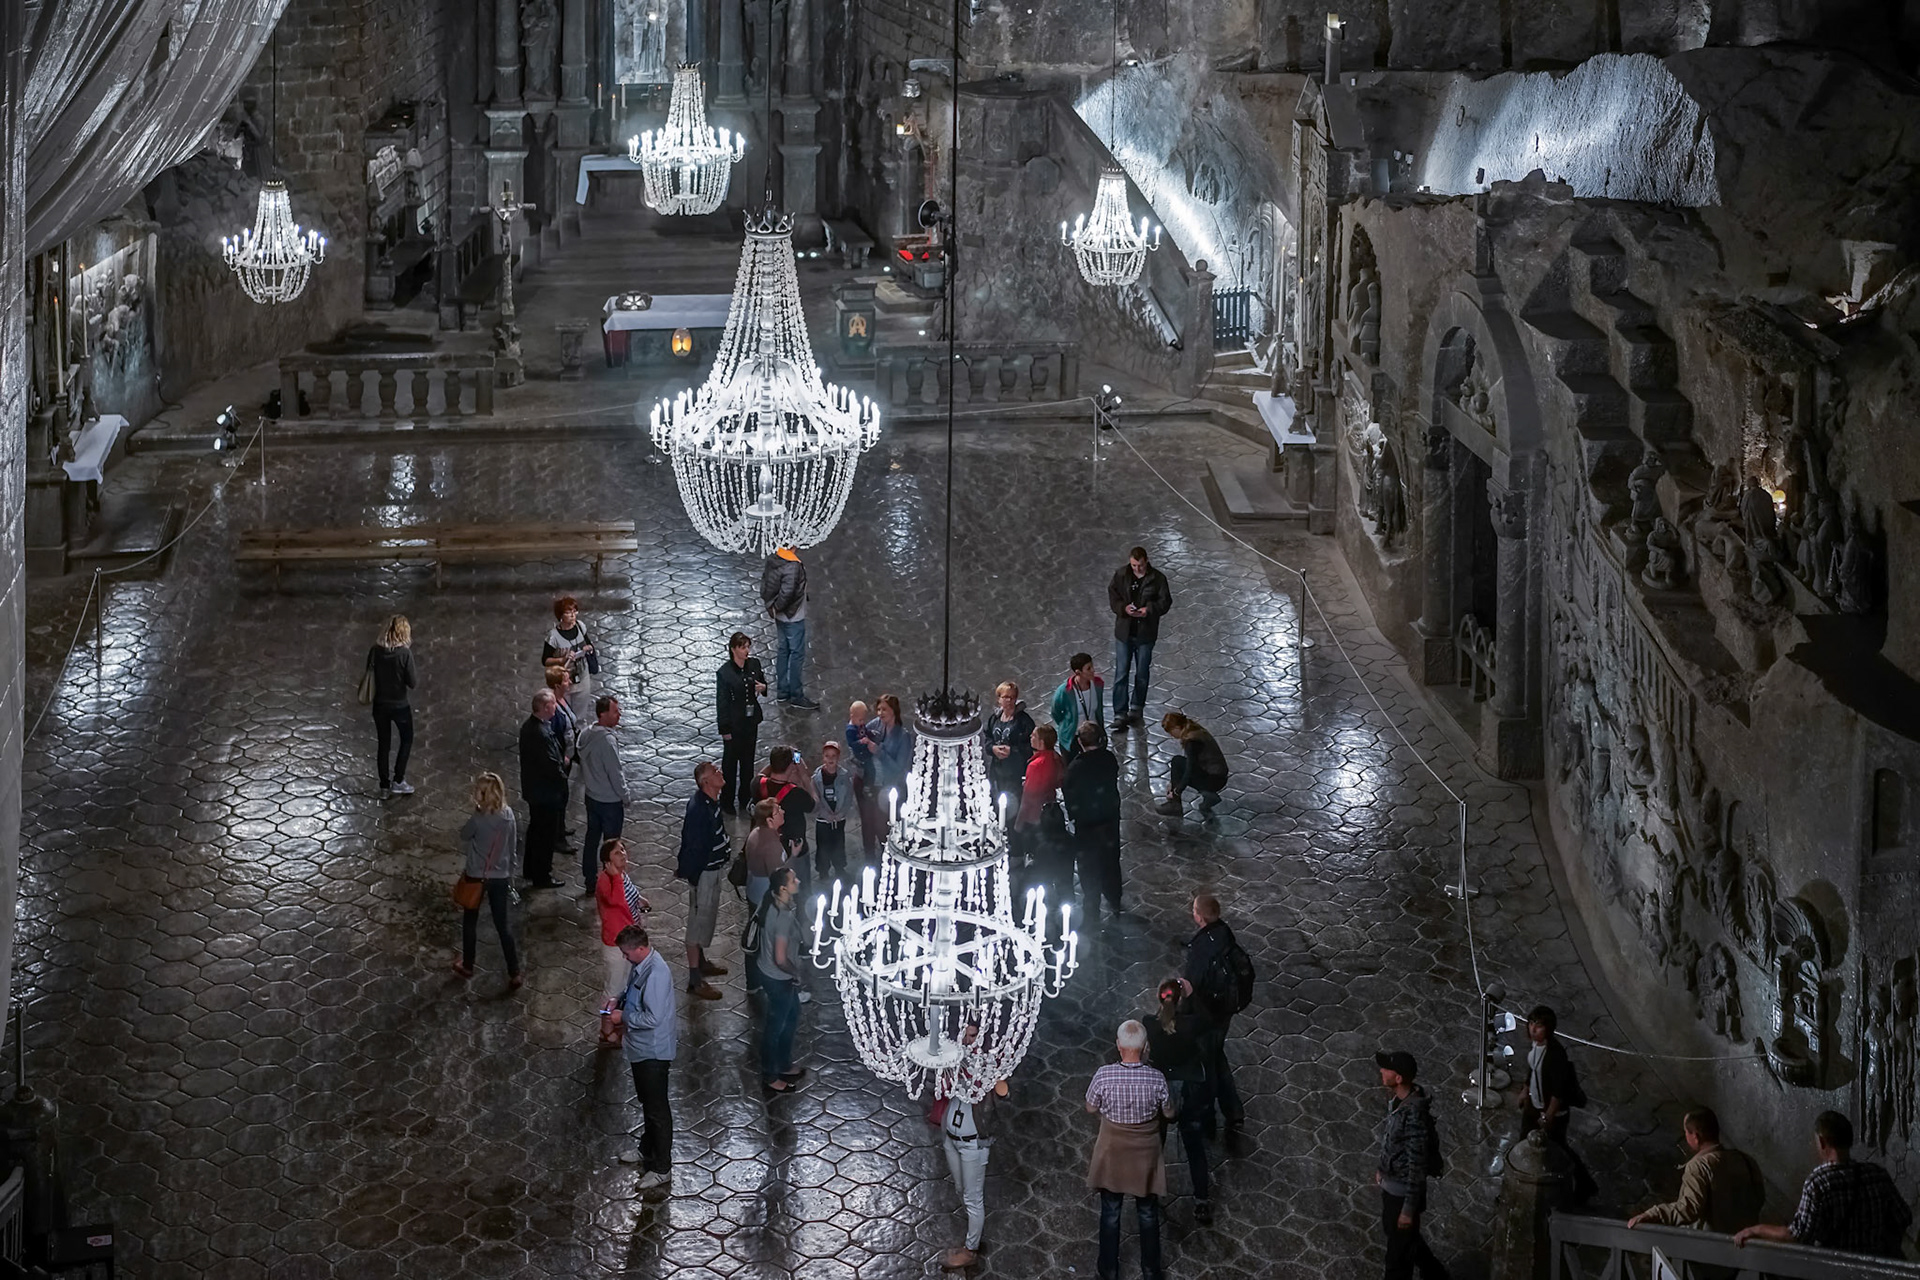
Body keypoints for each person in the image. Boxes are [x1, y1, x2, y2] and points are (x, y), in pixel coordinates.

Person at [1734, 1111, 1913, 1257]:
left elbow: (1797, 1235)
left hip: (1835, 1271)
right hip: (1873, 1271)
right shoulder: (1877, 1175)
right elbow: (1903, 1217)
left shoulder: (1818, 1183)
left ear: (1821, 1141)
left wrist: (1755, 1230)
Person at [1085, 1020, 1177, 1280]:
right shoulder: (1156, 1078)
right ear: (1145, 1047)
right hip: (1145, 1153)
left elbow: (1090, 1107)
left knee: (1111, 1211)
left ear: (1118, 1045)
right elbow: (1169, 1112)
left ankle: (1109, 1270)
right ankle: (1151, 1270)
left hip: (1113, 1151)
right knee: (1147, 1212)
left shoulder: (1104, 1075)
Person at [610, 923, 676, 1191]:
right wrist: (619, 1000)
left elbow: (653, 1018)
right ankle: (646, 1150)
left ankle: (662, 1169)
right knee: (648, 1104)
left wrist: (622, 1017)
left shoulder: (657, 974)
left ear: (639, 948)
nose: (624, 957)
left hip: (653, 1052)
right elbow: (634, 992)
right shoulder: (642, 965)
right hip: (641, 1048)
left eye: (626, 953)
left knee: (657, 1110)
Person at [1373, 1050, 1450, 1280]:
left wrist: (1407, 1210)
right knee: (1403, 1238)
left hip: (1401, 1194)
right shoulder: (1399, 1101)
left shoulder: (1414, 1115)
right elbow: (1393, 1143)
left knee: (1397, 1260)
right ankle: (1436, 1274)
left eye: (1387, 1069)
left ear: (1398, 1078)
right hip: (1391, 1186)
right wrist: (1383, 1169)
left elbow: (1417, 1165)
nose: (1381, 1071)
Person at [1145, 978, 1216, 1225]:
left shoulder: (1149, 1024)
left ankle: (1150, 1193)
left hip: (1160, 1090)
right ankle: (1201, 1201)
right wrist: (1192, 995)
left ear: (1159, 997)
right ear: (1180, 1000)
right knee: (1194, 1147)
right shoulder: (1191, 1025)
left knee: (1156, 1144)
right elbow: (1209, 1021)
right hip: (1189, 1091)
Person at [1626, 1107, 1763, 1234]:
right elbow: (1759, 1198)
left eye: (1686, 1132)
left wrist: (1654, 1214)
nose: (1685, 1135)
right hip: (1745, 1242)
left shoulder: (1699, 1166)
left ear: (1696, 1137)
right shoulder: (1745, 1159)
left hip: (1713, 1243)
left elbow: (1688, 1209)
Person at [937, 1024, 1007, 1270]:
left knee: (972, 1197)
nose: (967, 1039)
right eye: (964, 1034)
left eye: (973, 1035)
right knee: (960, 1190)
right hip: (950, 1138)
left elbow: (1003, 1092)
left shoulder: (990, 1066)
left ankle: (971, 1249)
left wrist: (995, 1075)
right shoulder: (956, 1058)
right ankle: (972, 1232)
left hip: (973, 1144)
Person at [1519, 1005, 1597, 1204]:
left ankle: (1585, 1184)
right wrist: (1525, 1089)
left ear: (1548, 1028)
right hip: (1534, 1106)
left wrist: (1548, 1116)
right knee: (1523, 1143)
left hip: (1550, 1113)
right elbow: (1533, 1068)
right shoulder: (1536, 1046)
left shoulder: (1556, 1055)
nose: (1533, 1029)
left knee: (1559, 1149)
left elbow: (1558, 1092)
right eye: (1531, 1023)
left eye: (1538, 1025)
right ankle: (1521, 1184)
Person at [1183, 894, 1246, 1132]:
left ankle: (1206, 1112)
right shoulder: (1224, 933)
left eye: (1194, 909)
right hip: (1224, 1010)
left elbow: (1193, 983)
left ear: (1199, 917)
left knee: (1206, 1061)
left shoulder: (1202, 948)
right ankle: (1233, 1110)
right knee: (1216, 1054)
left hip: (1206, 1012)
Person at [453, 772, 521, 987]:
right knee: (502, 925)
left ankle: (468, 965)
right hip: (500, 876)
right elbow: (512, 847)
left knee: (470, 921)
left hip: (476, 875)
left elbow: (464, 835)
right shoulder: (509, 815)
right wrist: (510, 873)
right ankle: (514, 972)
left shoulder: (478, 818)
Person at [674, 762, 731, 1001]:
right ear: (706, 782)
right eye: (715, 772)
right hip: (704, 874)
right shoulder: (699, 810)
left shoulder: (712, 802)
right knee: (696, 925)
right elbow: (694, 846)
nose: (720, 773)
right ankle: (695, 980)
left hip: (713, 870)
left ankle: (702, 962)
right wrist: (694, 876)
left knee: (705, 919)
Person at [1108, 546, 1173, 730]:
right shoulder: (1121, 575)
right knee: (1121, 673)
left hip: (1145, 634)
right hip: (1125, 632)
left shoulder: (1158, 579)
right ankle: (1120, 713)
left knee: (1142, 673)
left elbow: (1165, 602)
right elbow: (1113, 596)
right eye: (1134, 565)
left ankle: (1136, 708)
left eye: (1140, 565)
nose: (1137, 569)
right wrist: (1123, 609)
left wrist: (1148, 610)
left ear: (1146, 561)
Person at [1064, 721, 1123, 920]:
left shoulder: (1076, 767)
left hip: (1087, 826)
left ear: (1080, 741)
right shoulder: (1109, 758)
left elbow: (1070, 796)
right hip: (1109, 822)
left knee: (1089, 868)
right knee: (1111, 862)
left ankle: (1092, 910)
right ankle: (1115, 900)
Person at [595, 839, 650, 1046]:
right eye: (617, 853)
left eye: (623, 850)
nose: (623, 854)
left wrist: (639, 899)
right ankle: (606, 1030)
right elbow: (616, 901)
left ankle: (616, 1022)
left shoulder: (621, 875)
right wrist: (616, 877)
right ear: (607, 862)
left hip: (627, 942)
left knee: (623, 986)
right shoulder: (606, 880)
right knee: (612, 990)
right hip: (615, 946)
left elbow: (628, 895)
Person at [517, 690, 568, 890]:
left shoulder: (530, 727)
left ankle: (530, 869)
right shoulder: (540, 733)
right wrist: (562, 776)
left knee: (535, 830)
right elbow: (550, 764)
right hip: (545, 793)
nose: (556, 707)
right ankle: (542, 875)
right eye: (553, 704)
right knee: (546, 835)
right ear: (546, 707)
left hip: (535, 790)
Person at [577, 694, 627, 889]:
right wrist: (625, 796)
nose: (619, 714)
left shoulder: (586, 734)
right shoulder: (607, 742)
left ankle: (590, 880)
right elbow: (615, 773)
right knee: (612, 846)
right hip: (609, 801)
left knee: (591, 839)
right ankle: (612, 883)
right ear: (603, 714)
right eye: (615, 711)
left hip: (592, 796)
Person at [1013, 725, 1067, 902]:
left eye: (1034, 735)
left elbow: (1028, 798)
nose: (1030, 736)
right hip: (1048, 811)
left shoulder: (1036, 765)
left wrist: (1019, 823)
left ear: (1041, 742)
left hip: (1034, 817)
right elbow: (1059, 781)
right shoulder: (1055, 758)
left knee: (1032, 855)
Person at [761, 545, 819, 709]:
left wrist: (773, 608)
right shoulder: (793, 565)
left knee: (783, 650)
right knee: (796, 654)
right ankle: (796, 695)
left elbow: (765, 583)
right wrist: (779, 607)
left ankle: (782, 692)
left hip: (780, 616)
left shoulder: (774, 558)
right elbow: (788, 592)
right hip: (793, 616)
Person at [716, 632, 768, 813]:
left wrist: (763, 688)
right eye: (742, 647)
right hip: (734, 724)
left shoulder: (754, 664)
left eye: (748, 647)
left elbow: (763, 682)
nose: (747, 651)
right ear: (733, 649)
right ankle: (727, 801)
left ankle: (745, 797)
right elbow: (722, 702)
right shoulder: (724, 673)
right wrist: (725, 729)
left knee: (748, 763)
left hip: (750, 723)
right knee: (730, 765)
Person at [367, 615, 416, 795]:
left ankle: (384, 785)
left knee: (383, 744)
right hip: (400, 705)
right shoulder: (405, 654)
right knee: (407, 739)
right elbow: (412, 682)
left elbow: (369, 673)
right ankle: (398, 780)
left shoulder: (375, 651)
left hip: (379, 705)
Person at [753, 745, 817, 873]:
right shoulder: (796, 793)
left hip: (765, 845)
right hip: (793, 849)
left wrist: (776, 762)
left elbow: (761, 774)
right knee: (799, 882)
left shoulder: (757, 784)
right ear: (791, 766)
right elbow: (814, 804)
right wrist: (804, 776)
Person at [1156, 712, 1229, 817]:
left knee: (1177, 762)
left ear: (1177, 728)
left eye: (1171, 732)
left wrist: (1176, 791)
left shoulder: (1192, 742)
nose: (1171, 736)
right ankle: (1207, 795)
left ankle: (1176, 805)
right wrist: (1172, 783)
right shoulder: (1194, 730)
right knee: (1179, 762)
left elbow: (1189, 769)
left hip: (1213, 780)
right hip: (1217, 776)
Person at [982, 681, 1035, 820]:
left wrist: (1012, 751)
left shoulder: (1023, 721)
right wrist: (993, 748)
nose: (1009, 701)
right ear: (999, 699)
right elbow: (988, 738)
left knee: (1013, 804)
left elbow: (1030, 747)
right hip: (997, 770)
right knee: (996, 799)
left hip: (1015, 771)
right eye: (1005, 697)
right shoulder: (994, 718)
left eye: (1012, 697)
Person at [542, 596, 598, 724]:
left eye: (574, 611)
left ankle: (578, 731)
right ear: (561, 615)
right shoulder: (553, 636)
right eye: (568, 612)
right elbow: (545, 660)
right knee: (564, 713)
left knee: (580, 713)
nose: (573, 615)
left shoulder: (580, 626)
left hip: (582, 676)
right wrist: (562, 660)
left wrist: (588, 648)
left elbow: (588, 643)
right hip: (564, 680)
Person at [865, 695, 912, 837]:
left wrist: (879, 752)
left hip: (890, 786)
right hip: (873, 781)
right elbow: (861, 733)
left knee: (886, 826)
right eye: (878, 709)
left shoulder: (903, 736)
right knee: (872, 824)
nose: (880, 713)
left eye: (884, 709)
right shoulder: (876, 724)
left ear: (894, 710)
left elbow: (899, 768)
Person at [1050, 653, 1105, 762]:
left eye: (1092, 666)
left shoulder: (1097, 685)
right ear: (1078, 672)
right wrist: (1067, 724)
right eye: (1088, 668)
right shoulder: (1065, 691)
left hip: (1093, 735)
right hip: (1073, 736)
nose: (1093, 670)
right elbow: (1055, 711)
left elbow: (1098, 709)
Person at [845, 701, 883, 859]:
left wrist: (869, 734)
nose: (862, 722)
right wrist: (862, 743)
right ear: (852, 716)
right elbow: (852, 743)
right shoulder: (850, 729)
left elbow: (865, 731)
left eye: (863, 720)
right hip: (862, 754)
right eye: (860, 719)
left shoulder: (861, 725)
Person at [813, 741, 853, 880]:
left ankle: (839, 867)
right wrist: (825, 814)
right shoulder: (816, 778)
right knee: (822, 847)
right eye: (827, 756)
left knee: (839, 845)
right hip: (823, 821)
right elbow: (816, 799)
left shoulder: (844, 776)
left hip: (838, 819)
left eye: (833, 756)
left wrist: (841, 813)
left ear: (838, 757)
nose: (830, 759)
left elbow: (848, 796)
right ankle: (823, 871)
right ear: (823, 757)